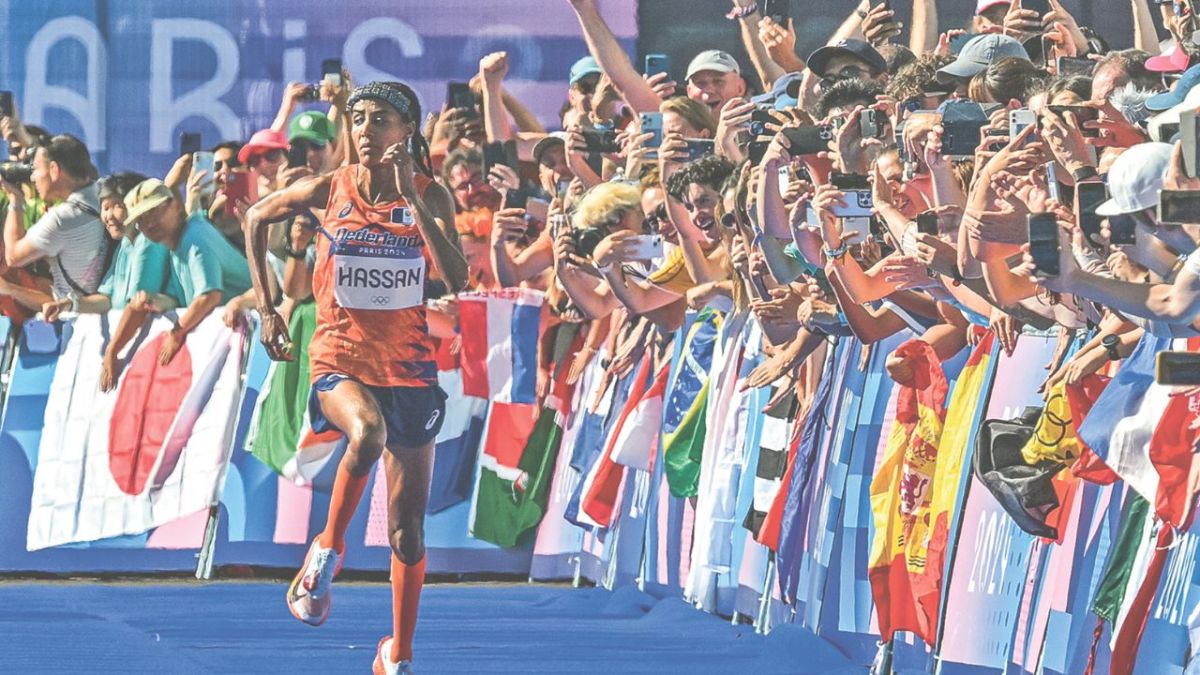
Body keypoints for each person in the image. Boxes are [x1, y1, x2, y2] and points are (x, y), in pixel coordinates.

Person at [243, 80, 468, 675]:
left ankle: (398, 654)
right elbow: (255, 216)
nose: (368, 130)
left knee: (408, 534)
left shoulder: (431, 194)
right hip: (339, 358)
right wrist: (269, 310)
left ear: (408, 130)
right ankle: (327, 549)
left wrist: (415, 204)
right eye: (359, 118)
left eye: (383, 120)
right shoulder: (328, 189)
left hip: (412, 370)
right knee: (365, 433)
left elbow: (456, 277)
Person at [106, 178, 253, 380]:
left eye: (154, 212)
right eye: (140, 220)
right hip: (234, 345)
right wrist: (155, 301)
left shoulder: (194, 237)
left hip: (249, 347)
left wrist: (177, 332)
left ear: (175, 205)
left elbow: (209, 296)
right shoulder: (177, 243)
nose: (148, 223)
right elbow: (184, 299)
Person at [1, 133, 106, 312]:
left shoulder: (62, 218)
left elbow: (12, 257)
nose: (33, 178)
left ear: (54, 170)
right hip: (97, 307)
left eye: (35, 169)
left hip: (74, 319)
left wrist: (16, 200)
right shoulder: (105, 195)